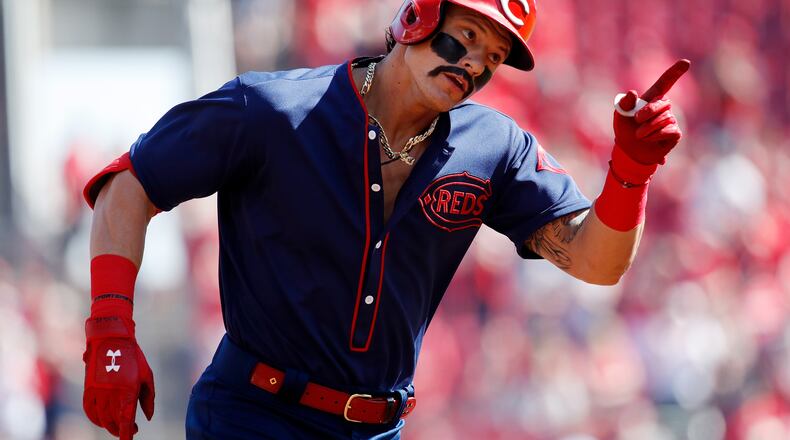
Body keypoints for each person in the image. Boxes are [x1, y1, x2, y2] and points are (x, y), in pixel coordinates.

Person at [80, 0, 689, 438]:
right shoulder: (270, 109)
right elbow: (130, 186)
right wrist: (110, 330)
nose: (473, 64)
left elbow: (595, 262)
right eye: (465, 36)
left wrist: (629, 172)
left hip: (376, 430)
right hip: (253, 415)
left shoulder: (494, 146)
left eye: (493, 56)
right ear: (416, 17)